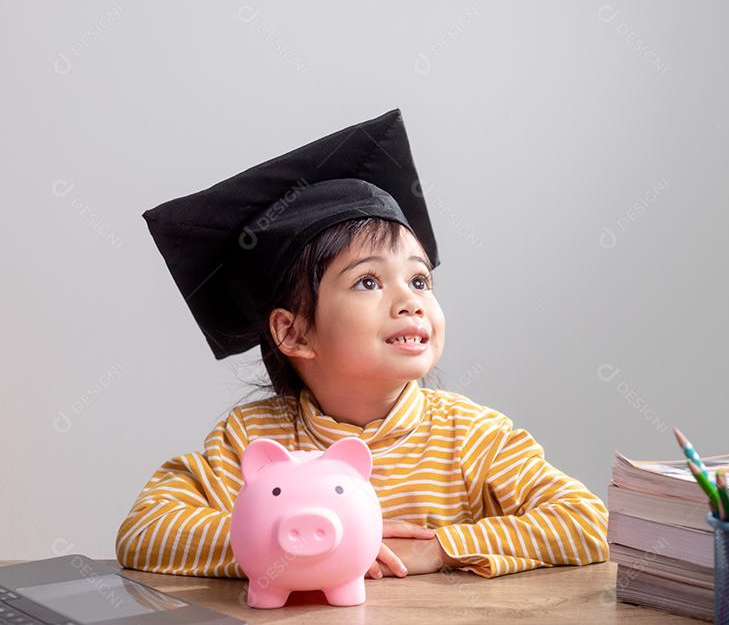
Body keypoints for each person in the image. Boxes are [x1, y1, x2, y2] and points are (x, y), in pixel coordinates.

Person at [114, 108, 609, 580]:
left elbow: (587, 523)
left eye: (419, 280)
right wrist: (292, 538)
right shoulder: (250, 440)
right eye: (368, 282)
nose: (410, 301)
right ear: (294, 332)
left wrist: (441, 549)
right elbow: (145, 531)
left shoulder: (472, 438)